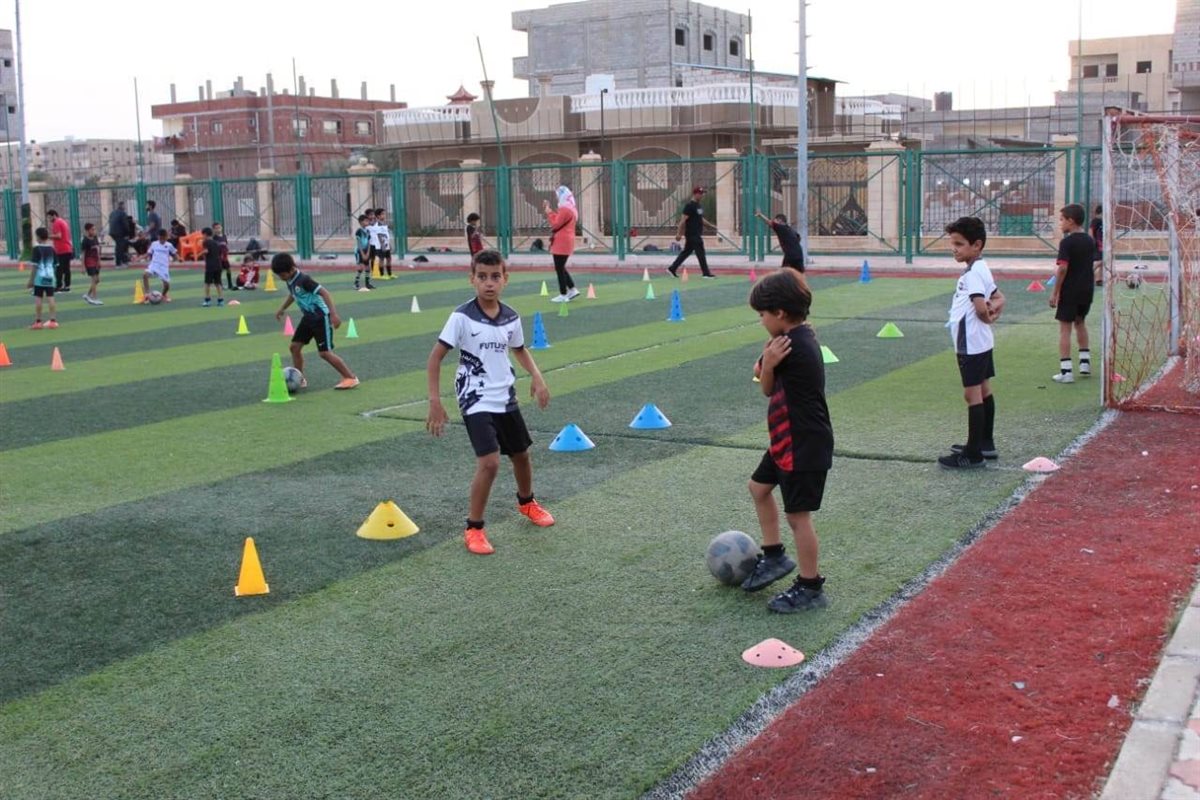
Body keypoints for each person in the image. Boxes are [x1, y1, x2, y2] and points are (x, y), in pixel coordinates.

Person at [425, 249, 556, 555]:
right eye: (482, 277)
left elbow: (519, 349)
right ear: (472, 279)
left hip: (505, 395)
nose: (489, 283)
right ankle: (474, 528)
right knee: (490, 462)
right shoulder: (461, 317)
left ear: (505, 279)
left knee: (521, 454)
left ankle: (527, 503)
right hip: (474, 397)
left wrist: (537, 377)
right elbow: (435, 358)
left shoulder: (511, 317)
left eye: (495, 276)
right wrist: (435, 401)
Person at [739, 269, 832, 612]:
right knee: (758, 488)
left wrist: (768, 365)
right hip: (786, 439)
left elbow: (764, 386)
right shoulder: (792, 336)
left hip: (803, 443)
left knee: (798, 517)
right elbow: (760, 371)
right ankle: (775, 555)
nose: (761, 321)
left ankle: (810, 586)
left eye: (762, 314)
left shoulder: (794, 347)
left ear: (779, 312)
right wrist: (767, 362)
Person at [939, 216, 1005, 469]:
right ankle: (985, 443)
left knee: (972, 394)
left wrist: (987, 317)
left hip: (971, 343)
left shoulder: (973, 274)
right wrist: (994, 312)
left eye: (959, 244)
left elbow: (979, 307)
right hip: (981, 341)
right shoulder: (980, 267)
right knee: (984, 389)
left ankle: (973, 453)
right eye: (953, 244)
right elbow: (999, 297)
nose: (954, 249)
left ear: (976, 245)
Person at [271, 253, 360, 390]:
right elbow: (293, 295)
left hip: (320, 318)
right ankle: (300, 378)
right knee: (294, 347)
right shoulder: (290, 280)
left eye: (282, 275)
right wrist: (282, 308)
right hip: (308, 318)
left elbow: (325, 293)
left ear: (291, 269)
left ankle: (350, 378)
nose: (281, 278)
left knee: (324, 353)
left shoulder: (304, 280)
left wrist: (333, 315)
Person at [1051, 203, 1096, 384]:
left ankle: (1066, 371)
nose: (1060, 223)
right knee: (1080, 323)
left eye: (1062, 220)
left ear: (1071, 221)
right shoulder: (1089, 240)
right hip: (1087, 289)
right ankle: (1085, 363)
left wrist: (1055, 292)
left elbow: (1062, 268)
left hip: (1070, 290)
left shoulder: (1067, 242)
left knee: (1065, 329)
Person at [668, 186, 718, 279]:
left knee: (686, 252)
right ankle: (706, 273)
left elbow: (701, 219)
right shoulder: (689, 206)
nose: (702, 195)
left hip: (696, 233)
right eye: (700, 193)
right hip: (692, 234)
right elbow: (683, 220)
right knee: (700, 253)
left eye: (702, 193)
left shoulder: (698, 206)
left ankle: (672, 268)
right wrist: (679, 233)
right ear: (695, 194)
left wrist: (712, 226)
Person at [543, 185, 579, 302]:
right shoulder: (571, 208)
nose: (557, 197)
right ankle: (572, 289)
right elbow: (559, 221)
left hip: (561, 241)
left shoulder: (564, 209)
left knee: (559, 268)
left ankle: (563, 294)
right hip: (567, 240)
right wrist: (550, 211)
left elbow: (555, 224)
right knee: (561, 267)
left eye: (558, 195)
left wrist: (549, 213)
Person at [754, 210, 807, 286]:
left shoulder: (780, 227)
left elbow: (769, 222)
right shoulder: (790, 229)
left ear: (780, 221)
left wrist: (760, 215)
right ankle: (803, 287)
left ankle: (782, 288)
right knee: (800, 273)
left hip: (790, 255)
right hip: (799, 253)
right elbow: (798, 237)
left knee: (782, 274)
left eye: (775, 220)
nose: (774, 222)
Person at [27, 227, 59, 329]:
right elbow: (55, 265)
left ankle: (38, 322)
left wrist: (31, 281)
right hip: (50, 276)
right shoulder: (52, 249)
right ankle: (53, 321)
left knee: (38, 298)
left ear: (38, 237)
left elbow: (35, 267)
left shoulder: (36, 249)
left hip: (39, 277)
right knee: (51, 297)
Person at [142, 229, 177, 303]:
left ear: (166, 237)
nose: (162, 240)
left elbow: (175, 254)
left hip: (163, 267)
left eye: (164, 238)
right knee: (145, 275)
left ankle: (163, 295)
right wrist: (139, 258)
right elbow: (148, 253)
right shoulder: (154, 244)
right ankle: (147, 294)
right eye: (160, 238)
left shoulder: (169, 245)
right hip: (154, 264)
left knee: (166, 285)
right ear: (158, 237)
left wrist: (176, 260)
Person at [46, 209, 74, 292]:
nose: (49, 219)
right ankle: (67, 286)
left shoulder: (57, 223)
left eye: (49, 217)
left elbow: (59, 236)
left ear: (54, 215)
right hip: (67, 248)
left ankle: (59, 286)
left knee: (59, 269)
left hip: (61, 249)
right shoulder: (62, 221)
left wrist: (47, 236)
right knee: (66, 269)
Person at [199, 227, 225, 308]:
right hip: (218, 265)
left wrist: (199, 254)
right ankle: (221, 300)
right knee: (218, 283)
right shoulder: (216, 242)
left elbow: (206, 251)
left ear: (205, 234)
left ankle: (207, 300)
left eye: (203, 235)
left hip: (210, 266)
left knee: (207, 283)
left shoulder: (205, 242)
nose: (202, 236)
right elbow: (220, 253)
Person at [80, 222, 103, 305]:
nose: (94, 231)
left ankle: (87, 295)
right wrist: (82, 266)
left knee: (97, 280)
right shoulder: (85, 241)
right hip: (89, 261)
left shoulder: (95, 238)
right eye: (92, 229)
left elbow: (97, 250)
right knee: (93, 279)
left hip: (96, 261)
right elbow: (83, 254)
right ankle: (94, 298)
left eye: (94, 229)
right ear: (87, 231)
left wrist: (99, 261)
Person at [353, 214, 375, 291]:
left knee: (367, 267)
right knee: (361, 267)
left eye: (368, 220)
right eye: (366, 221)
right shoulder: (359, 231)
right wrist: (362, 254)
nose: (367, 222)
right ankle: (356, 283)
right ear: (361, 222)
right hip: (359, 251)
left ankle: (367, 283)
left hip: (366, 250)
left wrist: (368, 252)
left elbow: (369, 242)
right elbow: (359, 243)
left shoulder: (368, 231)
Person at [108, 201, 131, 267]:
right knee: (120, 247)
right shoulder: (123, 213)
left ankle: (122, 261)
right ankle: (119, 263)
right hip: (119, 233)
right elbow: (125, 224)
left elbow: (111, 222)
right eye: (124, 206)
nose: (125, 207)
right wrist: (128, 233)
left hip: (112, 232)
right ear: (122, 206)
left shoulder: (112, 213)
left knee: (119, 246)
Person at [212, 222, 234, 290]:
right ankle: (220, 285)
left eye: (219, 227)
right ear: (213, 230)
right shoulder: (214, 238)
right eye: (216, 228)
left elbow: (226, 245)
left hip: (225, 257)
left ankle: (230, 284)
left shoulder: (224, 236)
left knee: (228, 269)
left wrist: (227, 252)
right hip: (218, 257)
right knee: (220, 271)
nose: (218, 229)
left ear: (221, 228)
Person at [375, 208, 393, 278]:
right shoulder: (377, 225)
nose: (384, 215)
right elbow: (379, 236)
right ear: (378, 216)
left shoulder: (384, 224)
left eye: (384, 214)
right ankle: (381, 275)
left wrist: (389, 244)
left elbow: (386, 235)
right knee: (381, 259)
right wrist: (383, 246)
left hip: (386, 245)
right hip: (381, 246)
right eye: (382, 214)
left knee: (389, 259)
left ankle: (389, 274)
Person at [1090, 204, 1104, 286]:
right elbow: (1091, 231)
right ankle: (1088, 273)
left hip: (1102, 244)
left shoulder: (1103, 221)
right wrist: (1092, 242)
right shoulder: (1095, 220)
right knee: (1101, 261)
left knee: (1103, 261)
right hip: (1097, 244)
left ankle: (1099, 279)